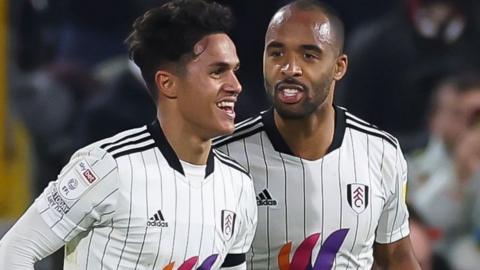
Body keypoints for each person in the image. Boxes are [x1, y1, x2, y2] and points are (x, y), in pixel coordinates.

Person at [0, 0, 257, 269]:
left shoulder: (238, 185)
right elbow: (15, 250)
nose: (235, 86)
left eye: (234, 71)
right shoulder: (107, 167)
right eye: (218, 72)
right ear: (167, 83)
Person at [214, 0, 420, 269]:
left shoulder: (381, 153)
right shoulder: (224, 157)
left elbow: (396, 257)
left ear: (339, 66)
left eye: (308, 55)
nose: (290, 69)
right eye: (276, 53)